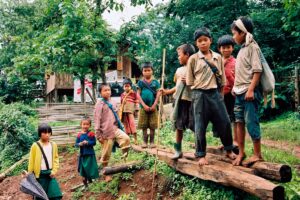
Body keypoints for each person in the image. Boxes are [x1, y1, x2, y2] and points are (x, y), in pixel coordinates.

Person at [186, 27, 236, 165]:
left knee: (224, 122)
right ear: (196, 43)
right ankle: (201, 154)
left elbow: (222, 79)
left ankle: (229, 150)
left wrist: (220, 95)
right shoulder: (193, 59)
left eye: (205, 40)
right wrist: (196, 96)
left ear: (210, 41)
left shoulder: (218, 57)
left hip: (215, 93)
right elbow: (190, 81)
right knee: (200, 125)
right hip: (199, 94)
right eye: (199, 41)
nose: (203, 43)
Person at [231, 16, 264, 166]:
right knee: (239, 122)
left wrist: (251, 90)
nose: (233, 36)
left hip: (249, 93)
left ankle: (258, 154)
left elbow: (257, 71)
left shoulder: (253, 47)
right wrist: (234, 88)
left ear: (243, 32)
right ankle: (242, 152)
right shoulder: (241, 50)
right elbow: (241, 72)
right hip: (238, 92)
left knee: (251, 122)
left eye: (234, 33)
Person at [162, 44, 195, 159]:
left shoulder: (195, 67)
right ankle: (178, 150)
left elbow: (200, 84)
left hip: (191, 101)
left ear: (187, 55)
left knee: (195, 125)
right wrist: (167, 92)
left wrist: (191, 82)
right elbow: (177, 86)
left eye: (179, 55)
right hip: (179, 100)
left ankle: (199, 150)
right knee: (179, 125)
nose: (178, 57)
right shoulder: (179, 70)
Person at [94, 84, 130, 182]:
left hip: (115, 129)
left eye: (109, 90)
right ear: (100, 92)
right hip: (105, 132)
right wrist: (98, 135)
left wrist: (120, 125)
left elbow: (117, 116)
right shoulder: (99, 104)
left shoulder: (113, 102)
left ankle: (125, 160)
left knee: (126, 139)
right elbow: (97, 120)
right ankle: (106, 173)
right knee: (106, 154)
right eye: (105, 90)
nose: (108, 92)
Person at [28, 123, 62, 200]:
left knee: (55, 195)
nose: (47, 135)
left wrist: (54, 171)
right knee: (41, 197)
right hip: (40, 176)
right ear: (40, 133)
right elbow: (31, 161)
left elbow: (56, 159)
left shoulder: (53, 145)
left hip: (50, 174)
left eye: (49, 132)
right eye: (44, 133)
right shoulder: (35, 145)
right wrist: (30, 175)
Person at [217, 35, 239, 153]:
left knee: (235, 118)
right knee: (223, 120)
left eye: (228, 47)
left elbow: (239, 78)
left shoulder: (236, 62)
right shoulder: (216, 61)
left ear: (233, 48)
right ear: (219, 49)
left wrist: (235, 87)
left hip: (233, 94)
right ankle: (226, 143)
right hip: (220, 95)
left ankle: (235, 141)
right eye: (223, 47)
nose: (226, 50)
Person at [137, 62, 161, 148]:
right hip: (143, 108)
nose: (147, 72)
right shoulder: (140, 83)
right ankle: (144, 142)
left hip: (153, 107)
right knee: (144, 126)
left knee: (152, 126)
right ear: (142, 72)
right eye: (145, 70)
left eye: (149, 70)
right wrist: (144, 105)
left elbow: (158, 94)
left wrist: (154, 105)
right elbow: (138, 94)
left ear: (152, 71)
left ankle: (152, 142)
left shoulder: (155, 82)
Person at [75, 117, 99, 189]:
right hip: (82, 155)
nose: (85, 126)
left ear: (90, 125)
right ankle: (85, 184)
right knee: (83, 170)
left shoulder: (91, 134)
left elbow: (94, 142)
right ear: (81, 125)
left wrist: (88, 142)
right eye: (84, 124)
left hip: (90, 154)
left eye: (87, 124)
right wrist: (79, 144)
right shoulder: (79, 135)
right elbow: (76, 144)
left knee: (91, 168)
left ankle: (92, 181)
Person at [119, 78, 139, 144]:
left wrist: (136, 110)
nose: (127, 87)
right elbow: (121, 103)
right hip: (124, 112)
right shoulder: (122, 95)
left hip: (131, 111)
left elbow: (136, 102)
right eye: (125, 86)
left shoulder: (133, 94)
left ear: (131, 86)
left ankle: (135, 139)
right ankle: (127, 139)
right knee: (126, 125)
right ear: (123, 87)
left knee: (132, 124)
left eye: (128, 86)